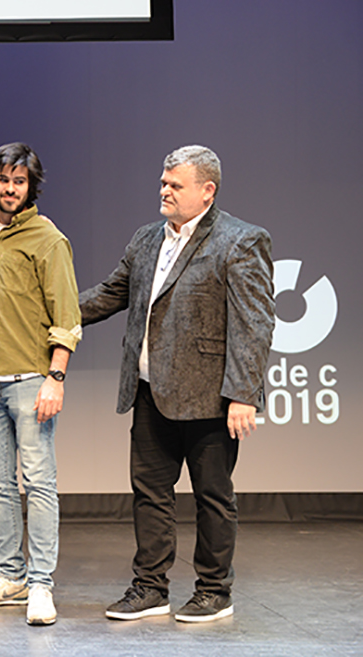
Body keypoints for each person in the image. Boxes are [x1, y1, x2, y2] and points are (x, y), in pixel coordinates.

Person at [79, 145, 274, 623]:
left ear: (207, 191)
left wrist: (244, 394)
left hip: (210, 397)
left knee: (213, 497)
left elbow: (254, 324)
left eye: (175, 184)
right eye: (163, 182)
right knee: (150, 494)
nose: (164, 190)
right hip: (150, 391)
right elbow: (111, 294)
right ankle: (150, 587)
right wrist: (48, 310)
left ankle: (214, 591)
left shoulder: (240, 240)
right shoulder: (147, 238)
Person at [0, 143, 81, 626]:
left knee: (39, 483)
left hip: (31, 381)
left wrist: (56, 377)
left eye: (19, 181)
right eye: (3, 179)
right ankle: (11, 576)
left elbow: (66, 315)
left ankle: (41, 584)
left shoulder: (48, 239)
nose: (10, 189)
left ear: (32, 187)